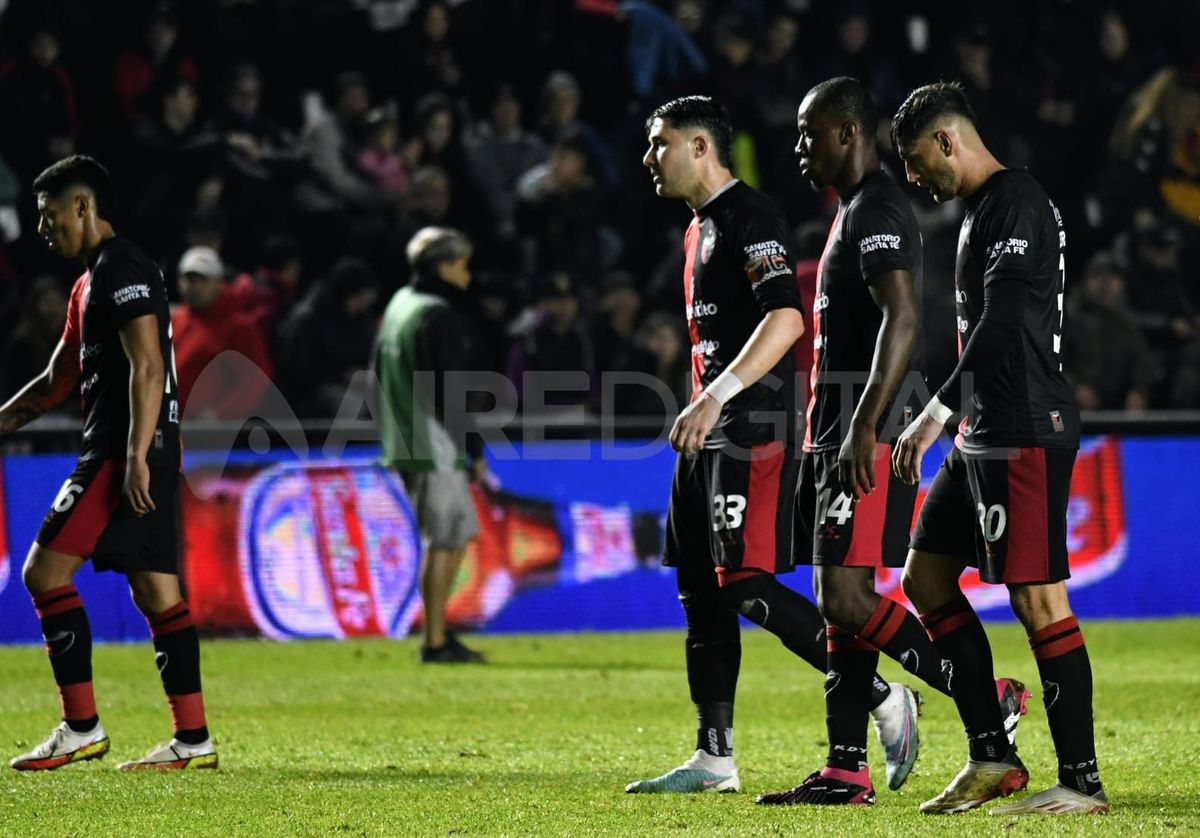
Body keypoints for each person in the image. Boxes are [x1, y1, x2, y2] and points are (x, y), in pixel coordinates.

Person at [755, 76, 1024, 808]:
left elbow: (902, 320)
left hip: (862, 425)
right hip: (839, 425)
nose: (800, 146)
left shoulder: (876, 208)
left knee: (843, 596)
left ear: (848, 132)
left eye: (810, 132)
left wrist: (865, 425)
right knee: (839, 592)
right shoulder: (850, 212)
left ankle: (984, 691)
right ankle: (846, 768)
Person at [624, 95, 902, 795]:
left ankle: (884, 697)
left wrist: (716, 396)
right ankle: (714, 757)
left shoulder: (752, 218)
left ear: (699, 148)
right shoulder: (696, 231)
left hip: (751, 430)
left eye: (660, 144)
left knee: (743, 584)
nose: (648, 158)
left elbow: (786, 319)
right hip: (706, 431)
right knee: (699, 591)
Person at [890, 81, 1108, 815]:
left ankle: (1081, 782)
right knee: (924, 580)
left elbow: (1006, 322)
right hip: (981, 433)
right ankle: (992, 753)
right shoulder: (984, 210)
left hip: (1022, 428)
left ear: (947, 140)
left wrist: (933, 415)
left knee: (1038, 599)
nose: (915, 179)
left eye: (917, 161)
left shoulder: (1015, 202)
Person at [2, 155, 215, 771]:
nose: (44, 230)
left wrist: (133, 459)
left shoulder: (123, 267)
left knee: (42, 575)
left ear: (82, 207)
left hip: (121, 452)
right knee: (156, 593)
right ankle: (193, 739)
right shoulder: (88, 283)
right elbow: (55, 381)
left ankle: (80, 727)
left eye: (48, 216)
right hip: (142, 451)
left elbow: (148, 365)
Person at [374, 226, 487, 663]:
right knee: (445, 539)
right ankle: (435, 640)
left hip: (405, 438)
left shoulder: (400, 305)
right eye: (462, 265)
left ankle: (439, 634)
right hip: (433, 442)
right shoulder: (437, 315)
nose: (468, 275)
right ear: (443, 267)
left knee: (452, 537)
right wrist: (473, 449)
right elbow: (448, 393)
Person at [170, 245, 273, 420]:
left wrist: (221, 413)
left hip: (214, 431)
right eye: (189, 280)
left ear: (219, 282)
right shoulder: (173, 321)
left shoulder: (239, 328)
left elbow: (255, 381)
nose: (195, 287)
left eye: (203, 280)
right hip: (173, 426)